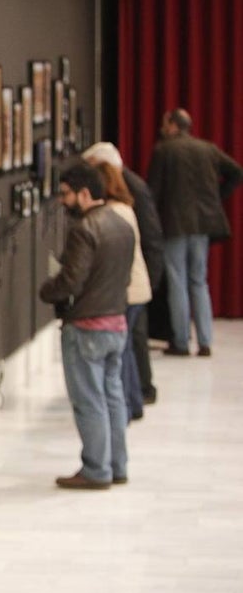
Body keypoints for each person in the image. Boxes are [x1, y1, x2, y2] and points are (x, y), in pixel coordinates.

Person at [40, 162, 135, 489]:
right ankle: (117, 465)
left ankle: (96, 469)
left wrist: (47, 290)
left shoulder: (84, 229)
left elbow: (71, 280)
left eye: (66, 194)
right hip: (117, 323)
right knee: (112, 397)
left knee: (89, 400)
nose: (63, 201)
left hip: (86, 327)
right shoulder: (123, 225)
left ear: (84, 193)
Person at [147, 108, 243, 357]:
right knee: (199, 281)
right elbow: (236, 172)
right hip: (202, 226)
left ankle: (180, 341)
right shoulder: (208, 149)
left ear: (173, 126)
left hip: (173, 225)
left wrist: (150, 222)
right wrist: (216, 200)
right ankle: (205, 340)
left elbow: (153, 191)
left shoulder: (163, 150)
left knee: (177, 280)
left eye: (165, 124)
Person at [82, 142, 165, 404]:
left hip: (133, 283)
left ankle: (137, 394)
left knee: (129, 344)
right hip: (132, 282)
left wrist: (150, 279)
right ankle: (136, 395)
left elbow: (151, 237)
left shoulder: (128, 195)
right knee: (128, 344)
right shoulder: (124, 196)